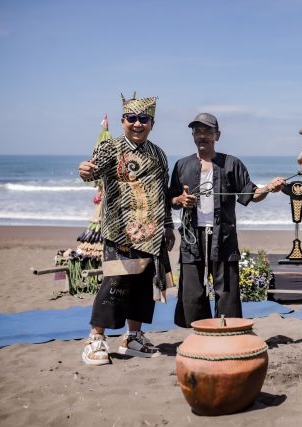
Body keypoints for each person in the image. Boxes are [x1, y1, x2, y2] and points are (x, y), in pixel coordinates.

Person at [78, 93, 176, 366]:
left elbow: (162, 194)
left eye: (143, 119)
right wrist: (84, 170)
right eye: (131, 118)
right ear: (122, 121)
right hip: (120, 231)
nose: (137, 124)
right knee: (115, 285)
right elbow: (93, 171)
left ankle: (132, 337)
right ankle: (95, 339)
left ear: (152, 123)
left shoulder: (159, 155)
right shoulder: (110, 148)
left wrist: (168, 225)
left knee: (145, 289)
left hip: (153, 233)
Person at [169, 113, 285, 327]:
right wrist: (180, 199)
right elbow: (171, 199)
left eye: (208, 131)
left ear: (217, 135)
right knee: (192, 291)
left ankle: (227, 331)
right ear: (193, 135)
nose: (202, 135)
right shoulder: (181, 165)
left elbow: (251, 195)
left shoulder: (232, 164)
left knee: (227, 290)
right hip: (192, 237)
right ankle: (198, 332)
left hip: (223, 236)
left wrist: (269, 188)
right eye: (197, 131)